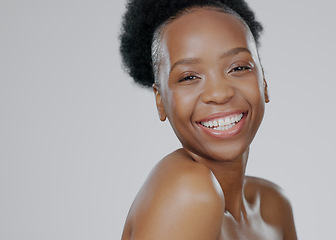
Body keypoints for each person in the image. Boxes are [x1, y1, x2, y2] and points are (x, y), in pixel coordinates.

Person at [119, 0, 297, 239]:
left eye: (238, 68)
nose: (219, 93)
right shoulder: (189, 191)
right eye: (189, 77)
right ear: (160, 100)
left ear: (263, 81)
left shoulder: (274, 204)